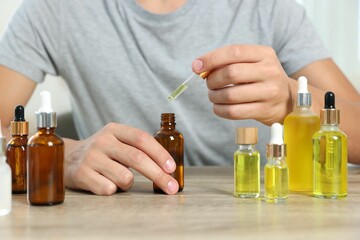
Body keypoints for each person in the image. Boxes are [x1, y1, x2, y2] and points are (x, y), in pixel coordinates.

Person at [0, 0, 359, 196]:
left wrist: (290, 101)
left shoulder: (268, 8)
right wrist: (58, 156)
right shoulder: (54, 10)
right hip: (123, 212)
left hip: (260, 207)